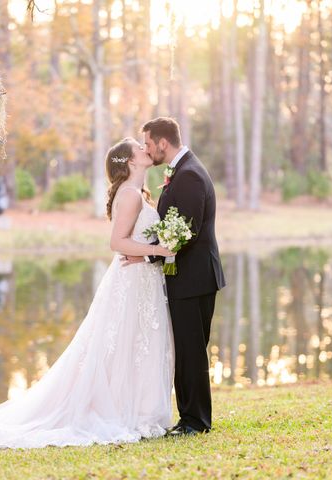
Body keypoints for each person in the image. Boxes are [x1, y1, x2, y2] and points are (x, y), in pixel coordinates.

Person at [0, 137, 176, 451]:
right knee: (123, 343)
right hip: (130, 282)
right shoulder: (129, 195)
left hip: (142, 279)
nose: (145, 149)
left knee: (135, 344)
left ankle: (139, 411)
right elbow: (117, 243)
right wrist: (158, 249)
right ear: (127, 161)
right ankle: (122, 412)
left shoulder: (138, 193)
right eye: (139, 147)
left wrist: (153, 253)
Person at [124, 117, 226, 435]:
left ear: (163, 143)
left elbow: (187, 233)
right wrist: (151, 252)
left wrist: (145, 252)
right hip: (186, 277)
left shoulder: (190, 175)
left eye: (150, 144)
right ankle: (190, 418)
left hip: (194, 279)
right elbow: (176, 230)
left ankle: (195, 421)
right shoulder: (182, 172)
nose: (149, 150)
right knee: (186, 348)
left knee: (191, 350)